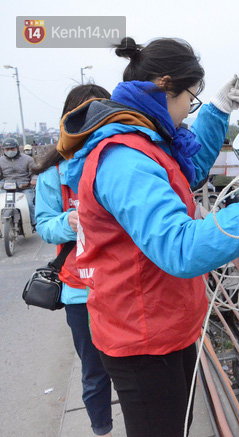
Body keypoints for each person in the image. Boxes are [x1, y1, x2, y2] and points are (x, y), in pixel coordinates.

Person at [58, 36, 239, 437]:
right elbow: (180, 247)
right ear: (166, 85)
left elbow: (187, 170)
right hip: (144, 340)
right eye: (192, 98)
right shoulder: (124, 158)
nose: (189, 110)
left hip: (164, 325)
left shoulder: (147, 140)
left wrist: (219, 109)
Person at [34, 84, 114, 436]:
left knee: (132, 366)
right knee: (95, 372)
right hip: (80, 290)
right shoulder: (53, 174)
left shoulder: (119, 160)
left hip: (120, 285)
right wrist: (66, 222)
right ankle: (102, 428)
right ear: (70, 120)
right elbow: (43, 224)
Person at [0, 137, 37, 228]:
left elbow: (34, 173)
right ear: (3, 150)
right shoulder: (0, 161)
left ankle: (34, 223)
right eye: (7, 149)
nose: (10, 151)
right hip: (6, 189)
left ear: (17, 148)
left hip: (24, 188)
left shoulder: (28, 159)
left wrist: (34, 180)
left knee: (29, 204)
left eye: (12, 148)